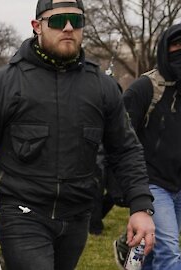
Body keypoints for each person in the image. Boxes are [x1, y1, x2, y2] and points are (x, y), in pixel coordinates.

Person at [0, 0, 156, 269]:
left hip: (78, 214)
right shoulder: (3, 83)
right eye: (58, 21)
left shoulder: (102, 87)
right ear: (37, 26)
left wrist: (140, 206)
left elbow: (126, 149)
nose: (68, 28)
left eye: (76, 20)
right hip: (22, 212)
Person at [122, 23, 181, 270]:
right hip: (152, 183)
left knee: (151, 249)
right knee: (170, 251)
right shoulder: (145, 88)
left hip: (179, 183)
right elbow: (120, 138)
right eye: (176, 45)